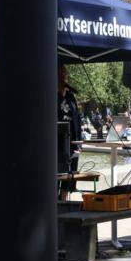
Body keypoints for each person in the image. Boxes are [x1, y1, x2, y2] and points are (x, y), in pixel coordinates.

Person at [57, 65, 82, 200]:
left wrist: (79, 142)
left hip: (72, 142)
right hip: (57, 144)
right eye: (61, 72)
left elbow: (77, 119)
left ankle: (64, 200)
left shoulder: (71, 96)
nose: (64, 75)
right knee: (56, 175)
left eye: (65, 73)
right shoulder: (50, 95)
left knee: (69, 177)